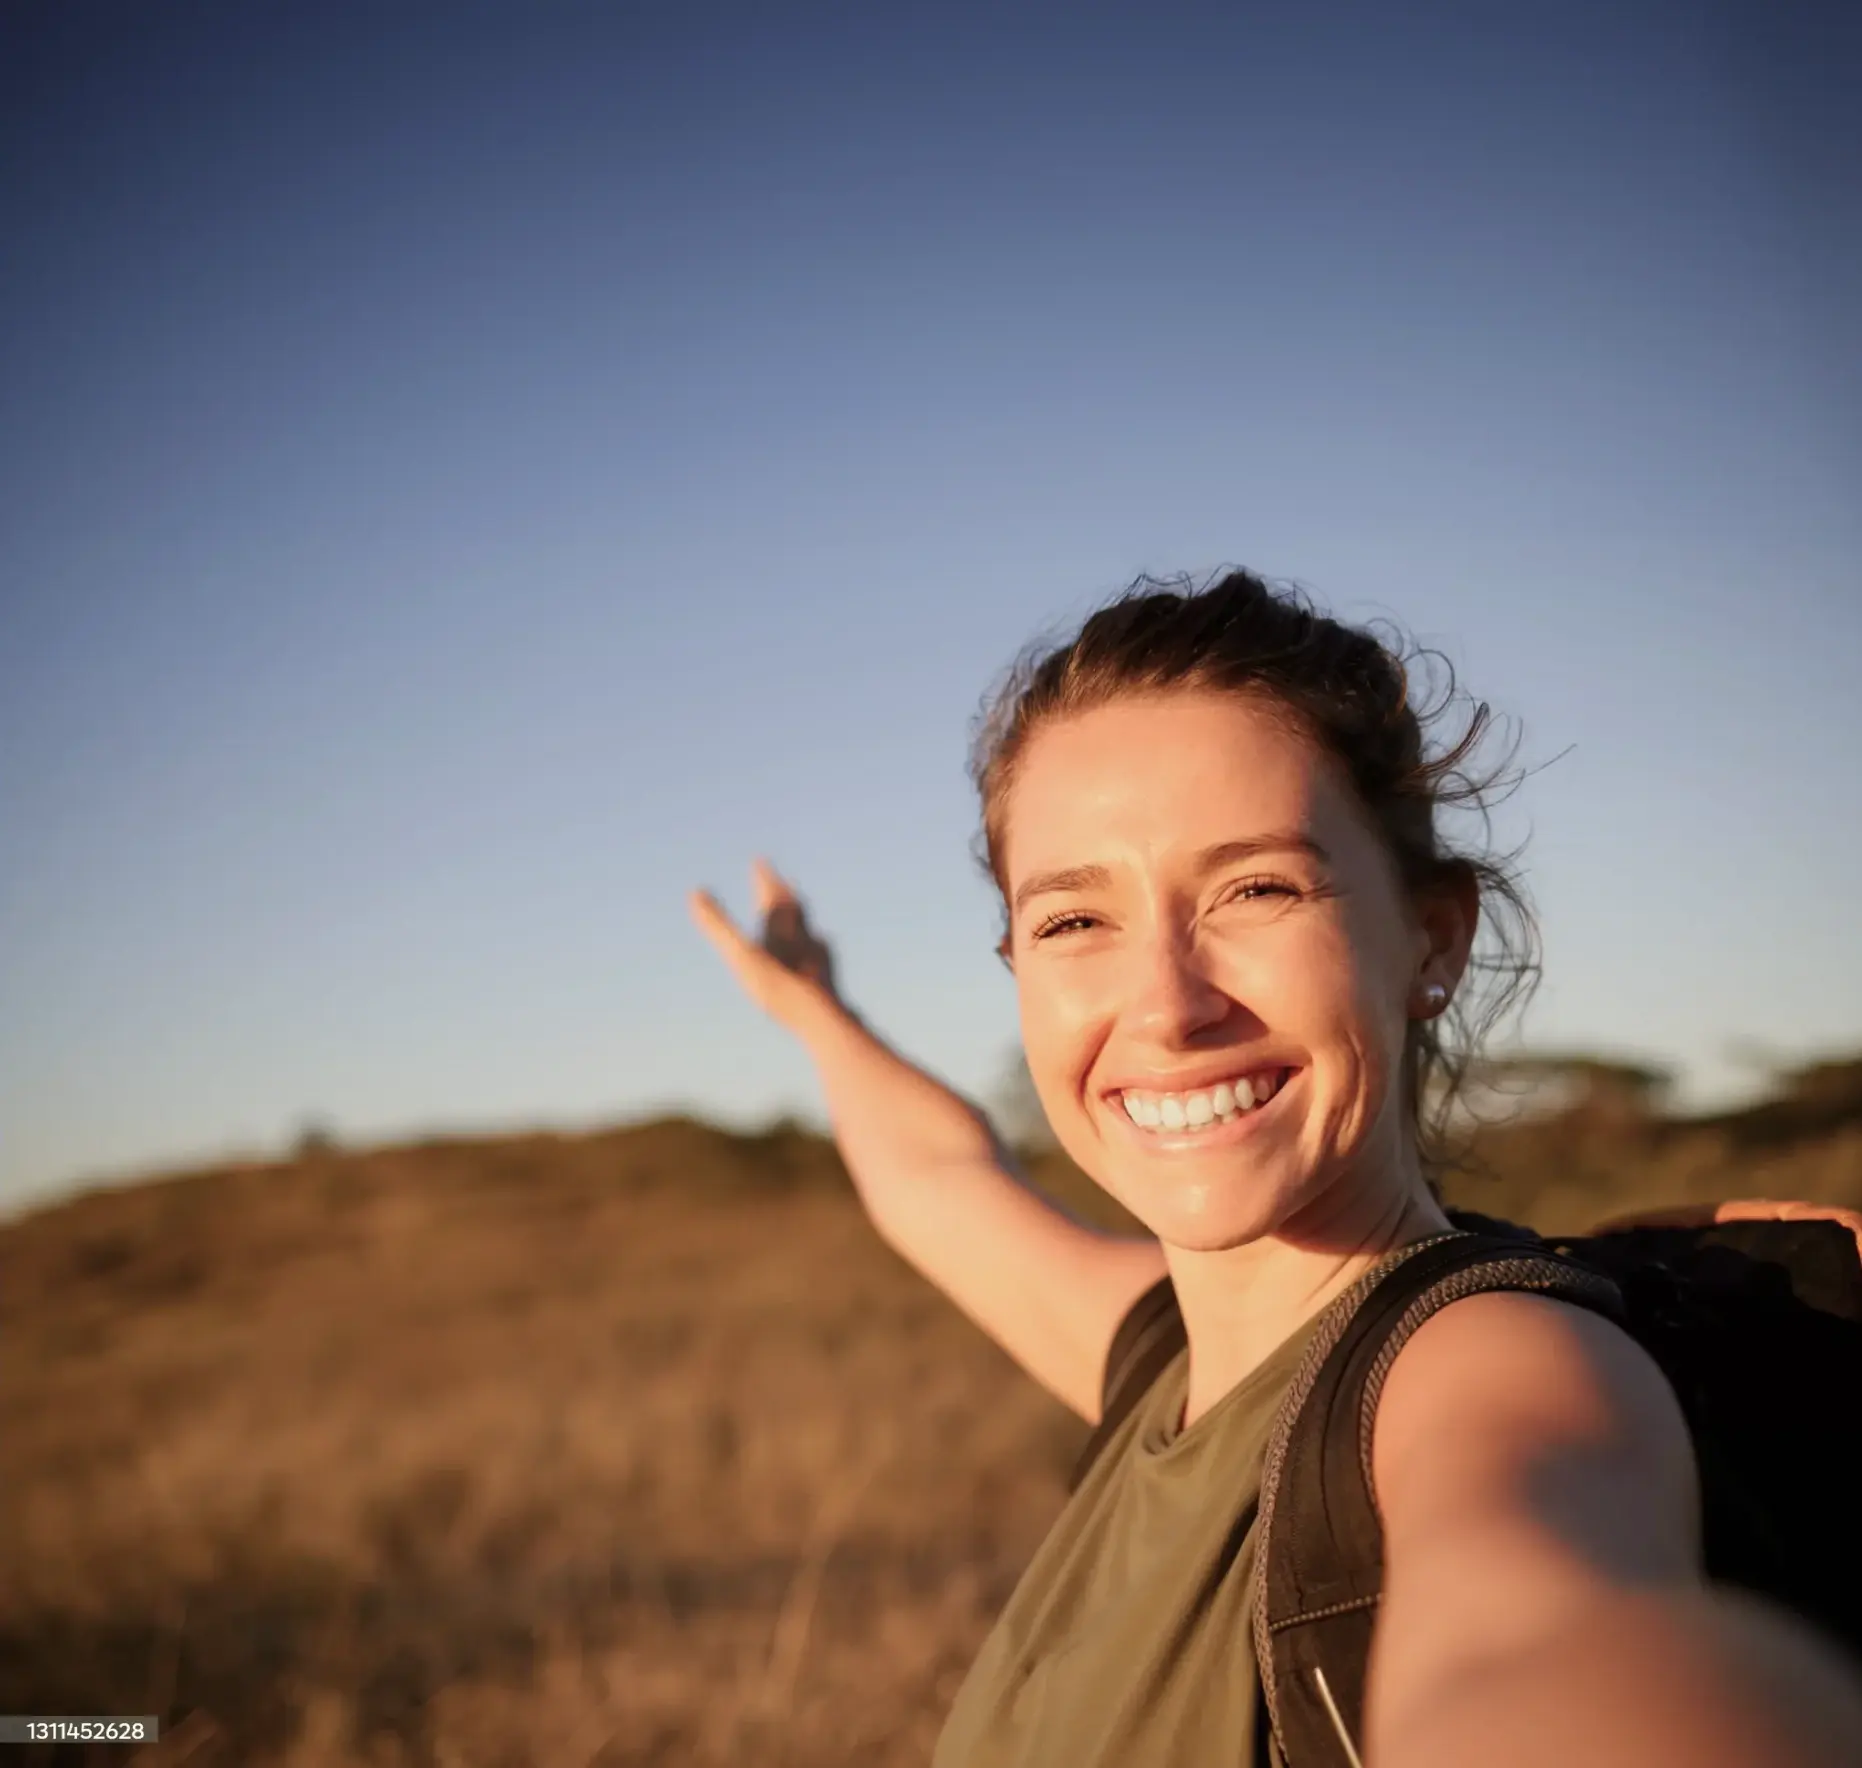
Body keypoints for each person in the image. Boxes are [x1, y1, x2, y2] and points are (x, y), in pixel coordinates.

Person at [689, 570, 1862, 1767]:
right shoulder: (1167, 1356)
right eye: (1072, 921)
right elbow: (940, 1185)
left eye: (1255, 888)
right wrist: (815, 1014)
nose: (1163, 1005)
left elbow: (1540, 1645)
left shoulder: (1488, 1366)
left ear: (1430, 936)